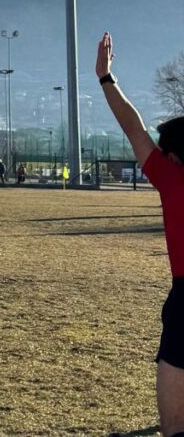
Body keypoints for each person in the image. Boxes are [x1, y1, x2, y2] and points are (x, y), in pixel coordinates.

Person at [96, 31, 184, 437]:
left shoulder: (173, 178)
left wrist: (106, 78)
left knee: (174, 426)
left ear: (172, 156)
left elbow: (134, 128)